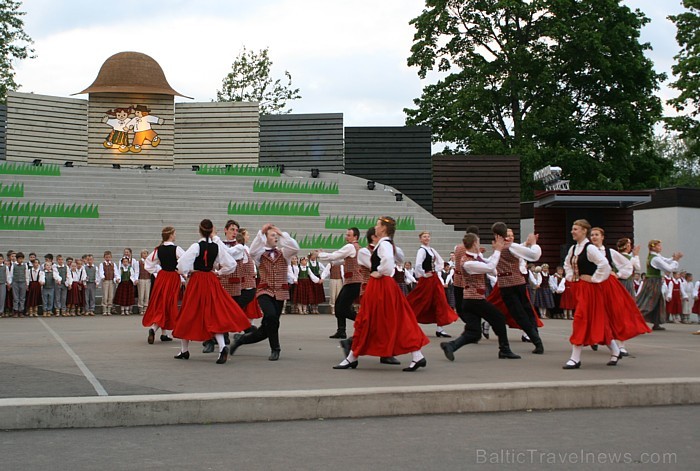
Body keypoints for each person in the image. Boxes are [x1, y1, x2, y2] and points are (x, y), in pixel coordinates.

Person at [333, 216, 429, 372]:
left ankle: (352, 357)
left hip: (380, 285)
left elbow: (390, 261)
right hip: (384, 285)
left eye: (378, 225)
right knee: (392, 320)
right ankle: (417, 356)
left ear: (383, 228)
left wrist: (380, 272)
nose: (375, 227)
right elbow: (399, 257)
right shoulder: (387, 244)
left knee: (367, 320)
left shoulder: (384, 244)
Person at [172, 219, 251, 364]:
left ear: (200, 230)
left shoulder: (196, 246)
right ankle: (221, 348)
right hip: (211, 279)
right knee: (214, 313)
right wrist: (219, 272)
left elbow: (182, 264)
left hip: (197, 281)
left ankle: (184, 350)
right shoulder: (217, 246)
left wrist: (188, 271)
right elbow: (231, 264)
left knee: (188, 313)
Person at [440, 232, 521, 361]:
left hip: (471, 300)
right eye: (478, 242)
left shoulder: (474, 257)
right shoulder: (467, 262)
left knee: (473, 332)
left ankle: (450, 346)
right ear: (474, 244)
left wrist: (493, 252)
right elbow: (490, 267)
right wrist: (498, 250)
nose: (479, 244)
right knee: (499, 318)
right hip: (474, 300)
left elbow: (491, 266)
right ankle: (504, 350)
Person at [230, 223, 299, 361]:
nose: (275, 237)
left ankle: (241, 340)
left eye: (276, 236)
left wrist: (281, 233)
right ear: (266, 238)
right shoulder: (260, 254)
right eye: (272, 235)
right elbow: (253, 250)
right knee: (272, 317)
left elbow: (295, 248)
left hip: (280, 292)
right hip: (264, 291)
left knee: (267, 327)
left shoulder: (284, 253)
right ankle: (276, 349)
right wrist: (261, 232)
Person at [589, 227, 651, 357]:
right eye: (592, 235)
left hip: (607, 285)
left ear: (602, 237)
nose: (594, 237)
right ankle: (593, 337)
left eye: (596, 235)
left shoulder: (609, 251)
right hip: (592, 285)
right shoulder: (586, 251)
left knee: (616, 313)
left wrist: (618, 274)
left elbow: (627, 265)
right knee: (593, 313)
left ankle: (621, 345)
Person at [487, 223, 545, 354]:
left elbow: (533, 255)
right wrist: (531, 243)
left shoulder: (504, 247)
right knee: (527, 311)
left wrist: (533, 243)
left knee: (520, 314)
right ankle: (536, 340)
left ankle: (537, 341)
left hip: (508, 285)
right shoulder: (507, 246)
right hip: (517, 283)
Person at [406, 231, 459, 337]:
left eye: (428, 237)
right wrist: (424, 275)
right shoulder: (421, 251)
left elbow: (440, 261)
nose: (427, 238)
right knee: (420, 300)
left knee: (439, 301)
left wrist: (436, 269)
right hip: (427, 280)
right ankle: (407, 320)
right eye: (424, 237)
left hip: (433, 279)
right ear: (420, 239)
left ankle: (440, 328)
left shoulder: (431, 250)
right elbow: (418, 265)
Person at [143, 226, 186, 344]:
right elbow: (185, 260)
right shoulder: (176, 249)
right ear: (171, 235)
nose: (176, 236)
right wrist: (181, 272)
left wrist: (157, 271)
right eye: (175, 234)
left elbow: (148, 263)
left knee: (162, 302)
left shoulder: (158, 249)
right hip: (172, 277)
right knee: (168, 303)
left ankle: (164, 334)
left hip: (162, 277)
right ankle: (154, 329)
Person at [319, 228, 364, 339]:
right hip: (353, 282)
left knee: (342, 308)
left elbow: (335, 255)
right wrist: (328, 258)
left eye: (349, 235)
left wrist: (320, 255)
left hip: (353, 282)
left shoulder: (350, 247)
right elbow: (340, 261)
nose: (346, 237)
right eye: (346, 235)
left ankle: (363, 322)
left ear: (355, 237)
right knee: (340, 305)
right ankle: (341, 330)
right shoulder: (358, 248)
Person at [636, 239, 683, 330]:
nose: (660, 247)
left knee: (658, 302)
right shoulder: (655, 258)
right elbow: (669, 269)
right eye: (658, 246)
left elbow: (666, 260)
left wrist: (673, 258)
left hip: (654, 281)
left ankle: (656, 323)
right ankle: (634, 320)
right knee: (648, 302)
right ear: (653, 247)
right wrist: (676, 261)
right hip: (653, 282)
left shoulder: (656, 256)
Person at [98, 250, 119, 316]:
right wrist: (103, 277)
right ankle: (104, 309)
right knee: (105, 295)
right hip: (105, 281)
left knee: (111, 295)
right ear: (104, 257)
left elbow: (116, 272)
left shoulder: (113, 264)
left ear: (111, 257)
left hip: (111, 281)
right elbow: (101, 272)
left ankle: (109, 309)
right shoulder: (102, 264)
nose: (108, 258)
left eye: (109, 257)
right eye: (106, 257)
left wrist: (117, 278)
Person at [137, 249, 152, 315]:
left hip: (148, 279)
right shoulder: (139, 262)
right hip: (141, 279)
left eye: (146, 253)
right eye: (143, 253)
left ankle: (146, 307)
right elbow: (137, 271)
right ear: (141, 255)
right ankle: (141, 307)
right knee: (141, 294)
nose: (145, 255)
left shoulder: (149, 262)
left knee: (147, 294)